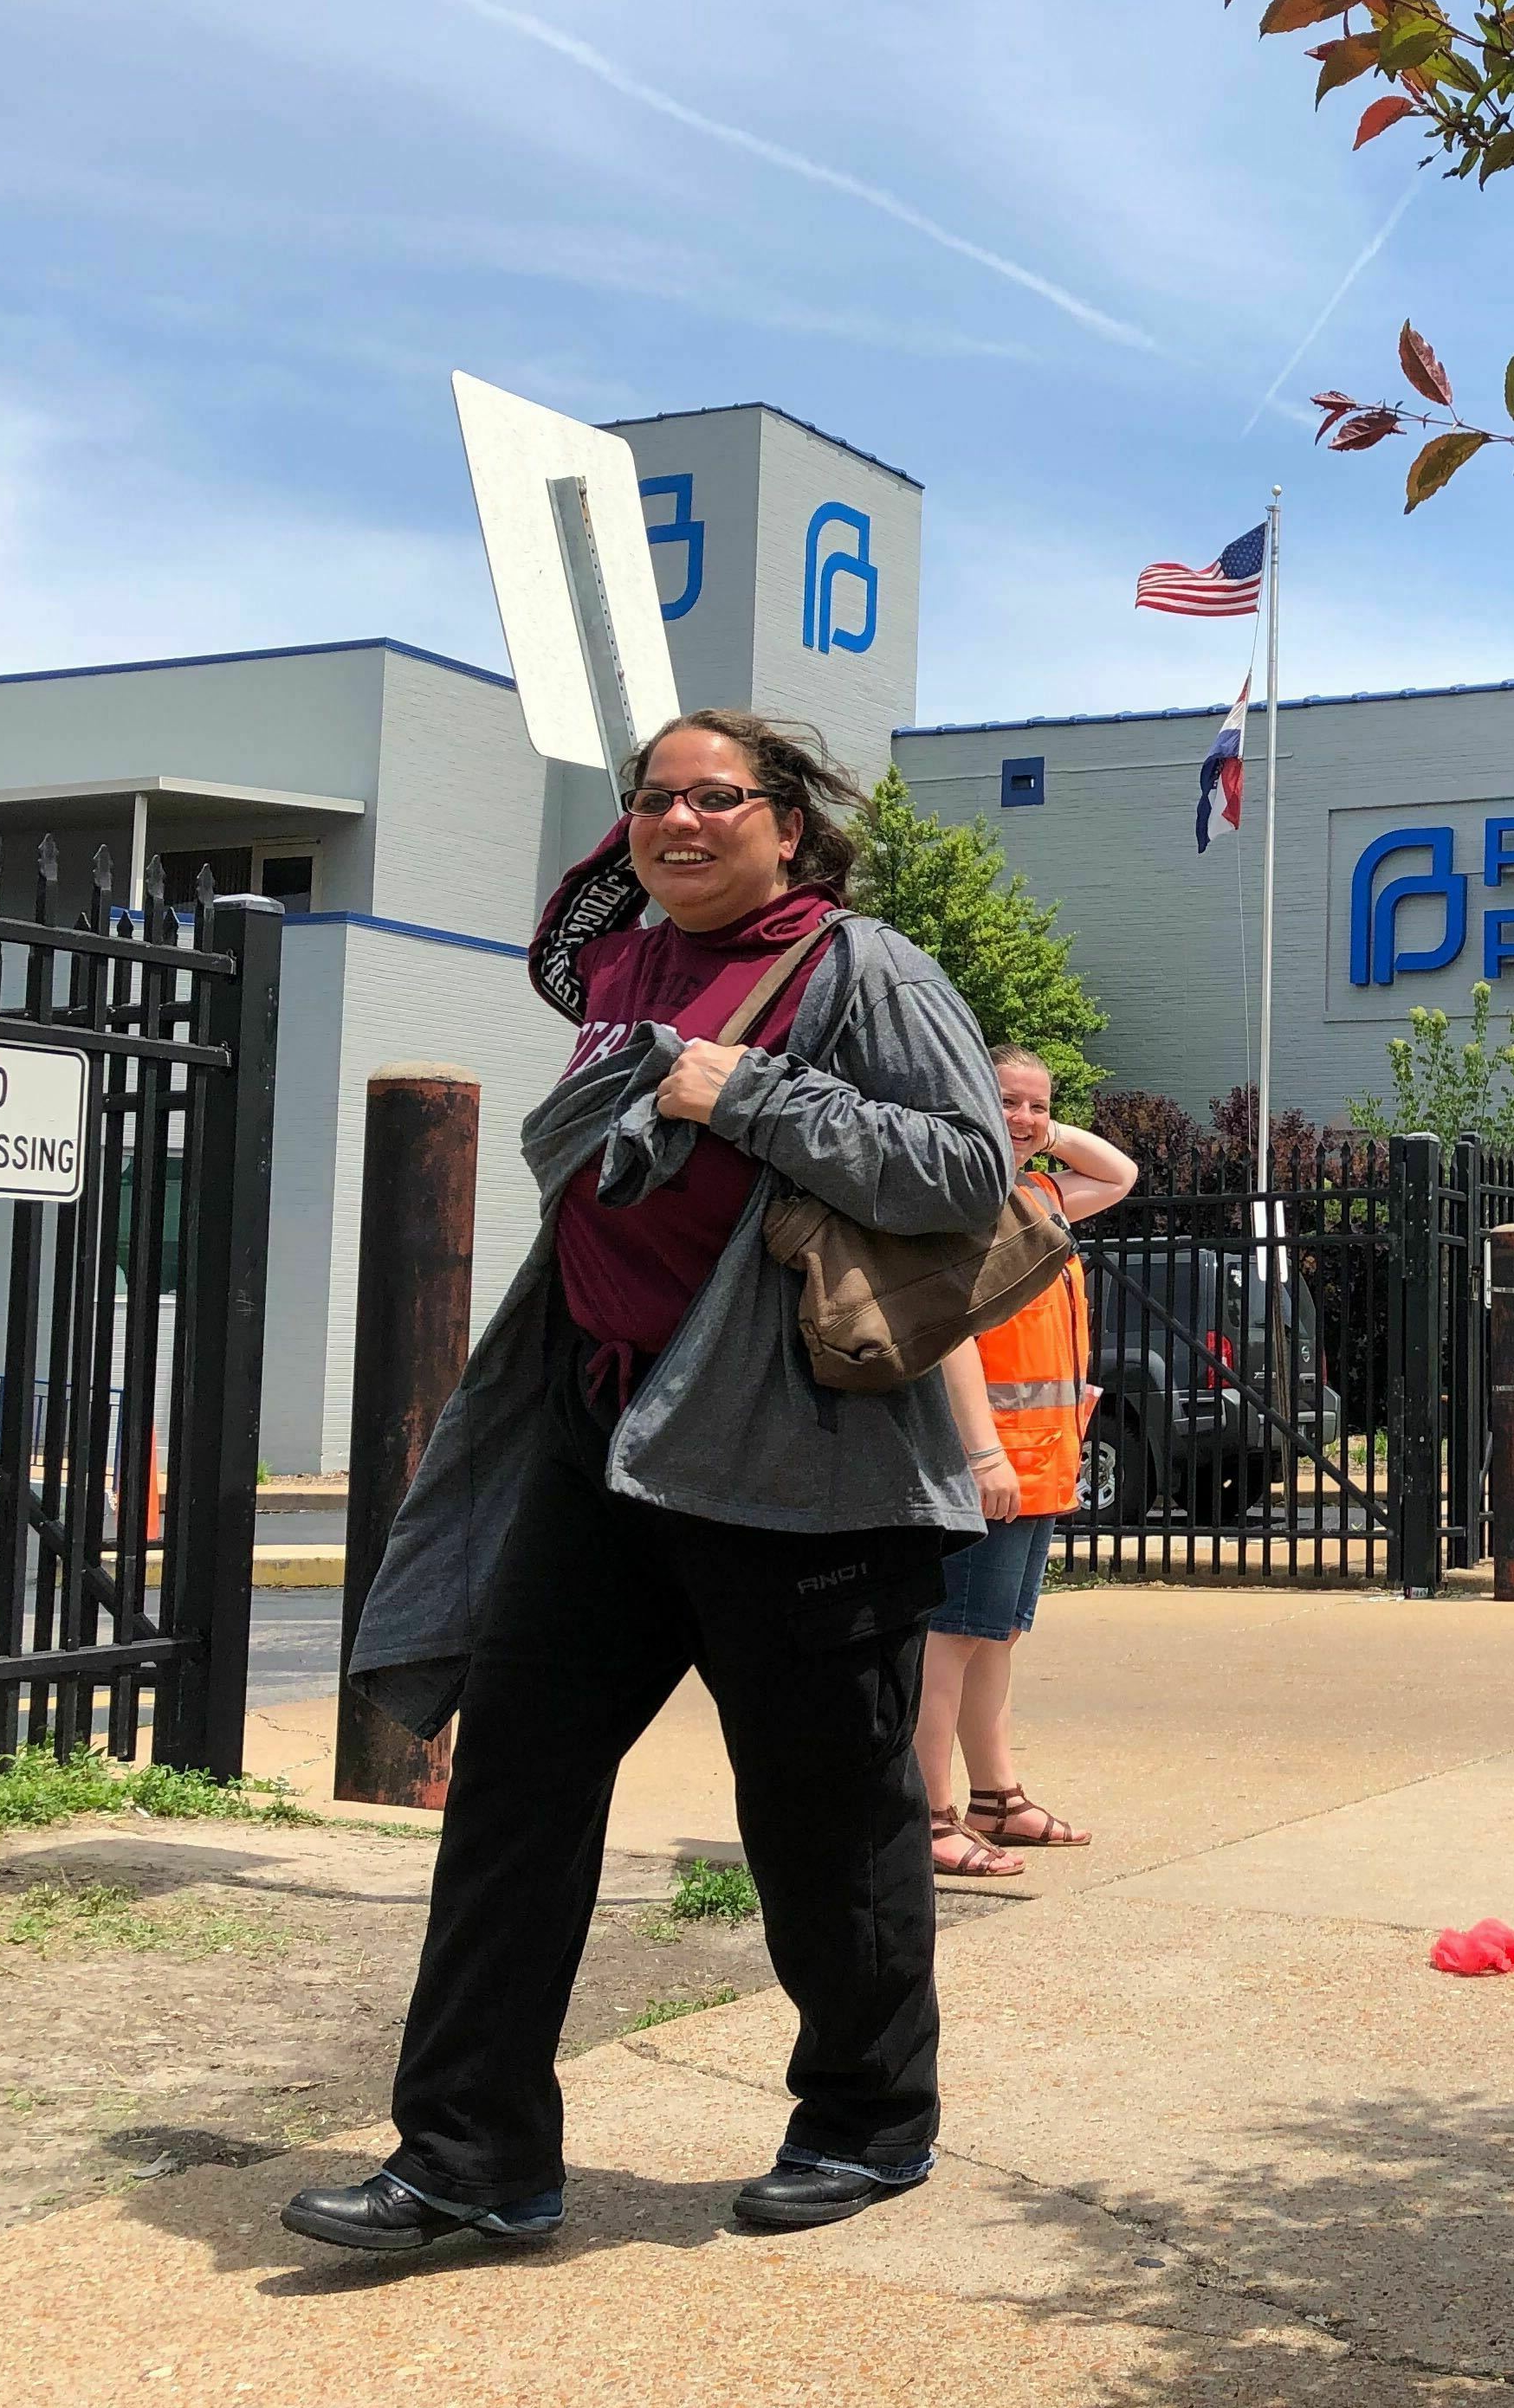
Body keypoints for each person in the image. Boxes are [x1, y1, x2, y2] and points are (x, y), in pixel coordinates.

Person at [292, 707, 1013, 2255]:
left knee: (825, 1819)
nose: (678, 822)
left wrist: (735, 1090)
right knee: (513, 1796)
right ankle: (470, 2154)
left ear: (789, 822)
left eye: (713, 797)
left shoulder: (860, 966)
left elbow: (966, 1175)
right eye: (651, 800)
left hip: (798, 1466)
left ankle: (866, 2118)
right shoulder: (619, 966)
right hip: (601, 1440)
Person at [920, 1046, 1137, 1880]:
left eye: (1038, 1106)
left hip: (1043, 1461)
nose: (1026, 1118)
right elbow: (955, 1335)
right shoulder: (961, 1202)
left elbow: (1118, 1172)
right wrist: (981, 1456)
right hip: (992, 1464)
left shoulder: (1039, 1195)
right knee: (951, 1638)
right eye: (1006, 1100)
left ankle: (995, 1800)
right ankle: (929, 1815)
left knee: (996, 1635)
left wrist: (1036, 1135)